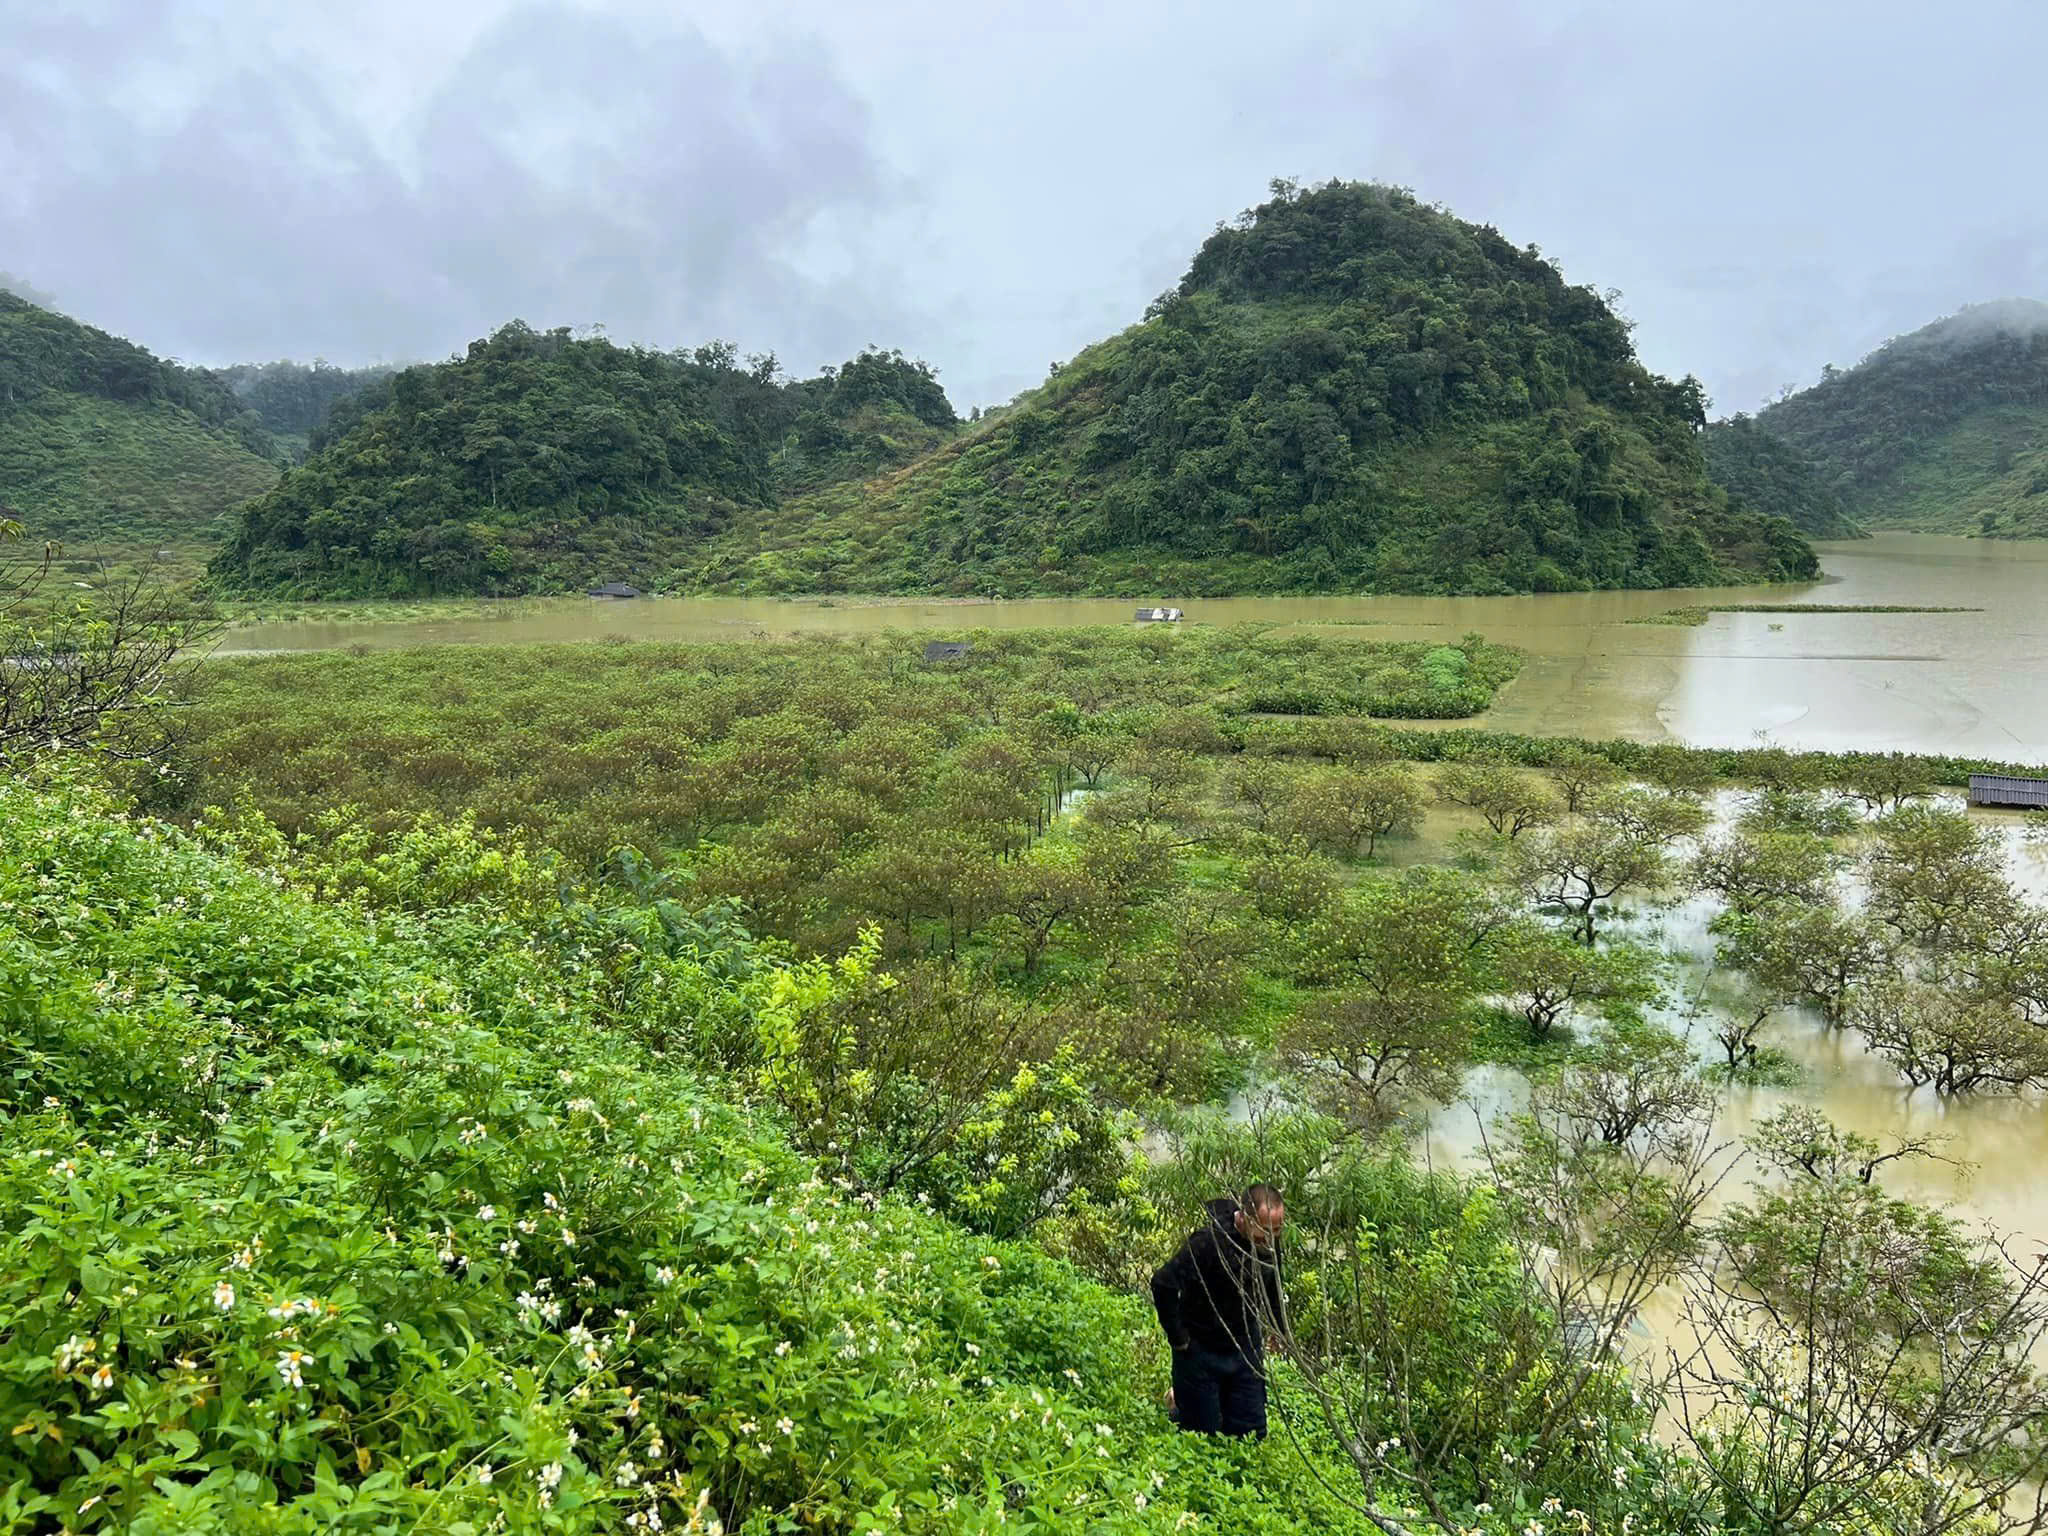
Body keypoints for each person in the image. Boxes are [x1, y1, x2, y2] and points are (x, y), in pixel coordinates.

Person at [1149, 1184, 1286, 1437]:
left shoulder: (1270, 1243)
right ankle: (1177, 1403)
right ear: (1244, 1217)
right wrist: (1178, 1339)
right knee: (1200, 1432)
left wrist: (1279, 1328)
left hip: (1244, 1346)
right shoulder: (1207, 1243)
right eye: (1264, 1231)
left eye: (1276, 1230)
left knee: (1250, 1433)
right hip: (1201, 1346)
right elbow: (1162, 1283)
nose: (1270, 1239)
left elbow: (1274, 1284)